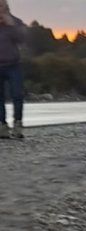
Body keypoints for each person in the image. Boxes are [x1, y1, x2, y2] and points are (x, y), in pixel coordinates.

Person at [0, 0, 25, 139]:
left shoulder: (15, 21)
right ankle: (2, 126)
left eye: (1, 5)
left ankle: (17, 124)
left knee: (17, 95)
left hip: (14, 65)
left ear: (6, 6)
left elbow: (22, 39)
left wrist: (11, 25)